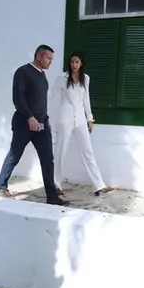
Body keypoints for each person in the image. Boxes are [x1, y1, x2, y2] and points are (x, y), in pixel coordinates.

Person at [0, 45, 70, 206]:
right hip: (24, 123)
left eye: (51, 59)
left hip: (42, 125)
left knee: (47, 158)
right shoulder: (22, 72)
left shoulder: (42, 76)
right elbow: (18, 99)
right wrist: (30, 117)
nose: (51, 62)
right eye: (48, 58)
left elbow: (40, 102)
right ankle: (1, 187)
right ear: (39, 57)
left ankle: (51, 196)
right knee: (15, 155)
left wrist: (45, 119)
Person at [51, 51, 115, 197]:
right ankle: (55, 184)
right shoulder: (61, 79)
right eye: (72, 61)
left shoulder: (85, 79)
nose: (74, 64)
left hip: (80, 118)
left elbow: (86, 99)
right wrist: (51, 119)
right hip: (65, 118)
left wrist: (89, 119)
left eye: (77, 62)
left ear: (81, 64)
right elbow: (53, 99)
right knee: (60, 151)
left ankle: (99, 185)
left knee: (88, 151)